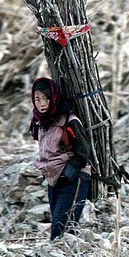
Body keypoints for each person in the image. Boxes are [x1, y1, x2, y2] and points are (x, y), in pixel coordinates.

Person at [29, 77, 91, 240]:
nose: (41, 104)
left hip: (73, 178)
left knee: (61, 229)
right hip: (53, 178)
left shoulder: (69, 122)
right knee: (61, 225)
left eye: (45, 98)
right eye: (37, 99)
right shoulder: (40, 122)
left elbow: (83, 152)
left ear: (53, 98)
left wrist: (68, 172)